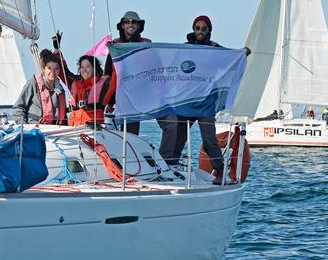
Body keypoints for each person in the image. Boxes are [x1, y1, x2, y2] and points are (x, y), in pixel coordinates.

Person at [158, 15, 250, 183]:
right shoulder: (185, 48)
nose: (200, 31)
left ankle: (220, 171)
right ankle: (170, 167)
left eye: (204, 28)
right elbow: (172, 65)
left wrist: (242, 53)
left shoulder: (215, 50)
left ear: (209, 31)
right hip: (186, 101)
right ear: (193, 29)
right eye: (197, 28)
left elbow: (230, 58)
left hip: (206, 103)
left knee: (209, 140)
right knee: (178, 137)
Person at [51, 31, 114, 126]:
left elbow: (116, 77)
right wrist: (57, 49)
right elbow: (63, 70)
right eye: (82, 67)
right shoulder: (74, 82)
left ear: (94, 68)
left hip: (95, 129)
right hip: (74, 129)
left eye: (88, 66)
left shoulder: (104, 83)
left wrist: (114, 52)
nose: (84, 70)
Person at [104, 11, 151, 135]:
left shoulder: (146, 44)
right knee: (114, 133)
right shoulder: (115, 45)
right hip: (118, 95)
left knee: (131, 134)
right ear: (122, 25)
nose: (131, 24)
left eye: (134, 22)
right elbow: (107, 72)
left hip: (137, 95)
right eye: (127, 22)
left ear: (139, 26)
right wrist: (108, 97)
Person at [13, 49, 68, 125]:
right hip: (35, 129)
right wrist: (24, 127)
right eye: (49, 68)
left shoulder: (60, 89)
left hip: (55, 131)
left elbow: (64, 117)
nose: (53, 72)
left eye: (56, 68)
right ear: (43, 68)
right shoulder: (34, 83)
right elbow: (18, 108)